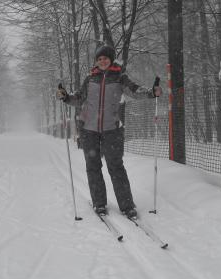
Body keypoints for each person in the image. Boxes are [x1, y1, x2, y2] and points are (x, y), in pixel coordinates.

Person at [56, 45, 162, 219]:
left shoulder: (120, 77)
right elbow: (79, 98)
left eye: (105, 58)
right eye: (99, 59)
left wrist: (151, 93)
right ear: (96, 62)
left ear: (111, 59)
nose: (102, 61)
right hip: (89, 129)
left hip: (112, 129)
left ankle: (127, 206)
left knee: (116, 167)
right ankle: (99, 204)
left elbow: (135, 91)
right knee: (93, 167)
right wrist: (66, 97)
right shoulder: (90, 78)